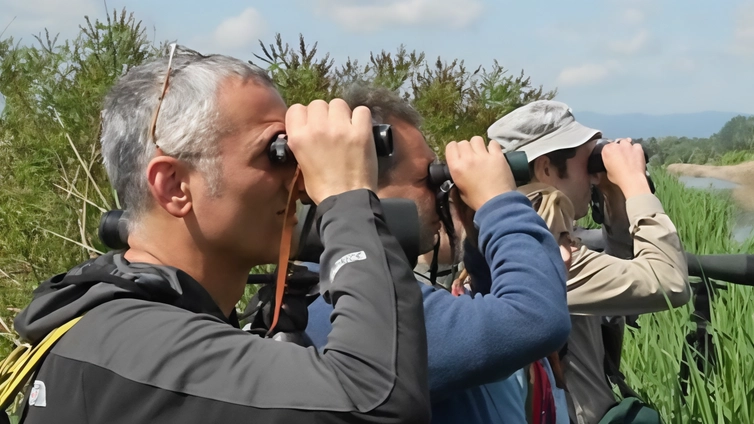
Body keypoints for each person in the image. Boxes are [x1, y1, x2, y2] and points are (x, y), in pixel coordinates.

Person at [12, 47, 432, 423]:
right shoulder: (141, 342)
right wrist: (348, 196)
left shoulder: (119, 320)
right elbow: (379, 402)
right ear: (175, 185)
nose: (302, 182)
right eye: (277, 153)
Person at [305, 85, 572, 424]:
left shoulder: (335, 285)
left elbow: (494, 329)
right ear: (363, 184)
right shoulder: (346, 305)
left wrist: (476, 235)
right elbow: (536, 319)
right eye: (426, 178)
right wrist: (498, 201)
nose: (441, 192)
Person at [487, 100, 690, 423]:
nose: (594, 177)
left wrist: (613, 195)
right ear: (546, 169)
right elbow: (670, 283)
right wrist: (634, 182)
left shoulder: (505, 235)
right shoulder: (543, 254)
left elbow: (622, 282)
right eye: (588, 163)